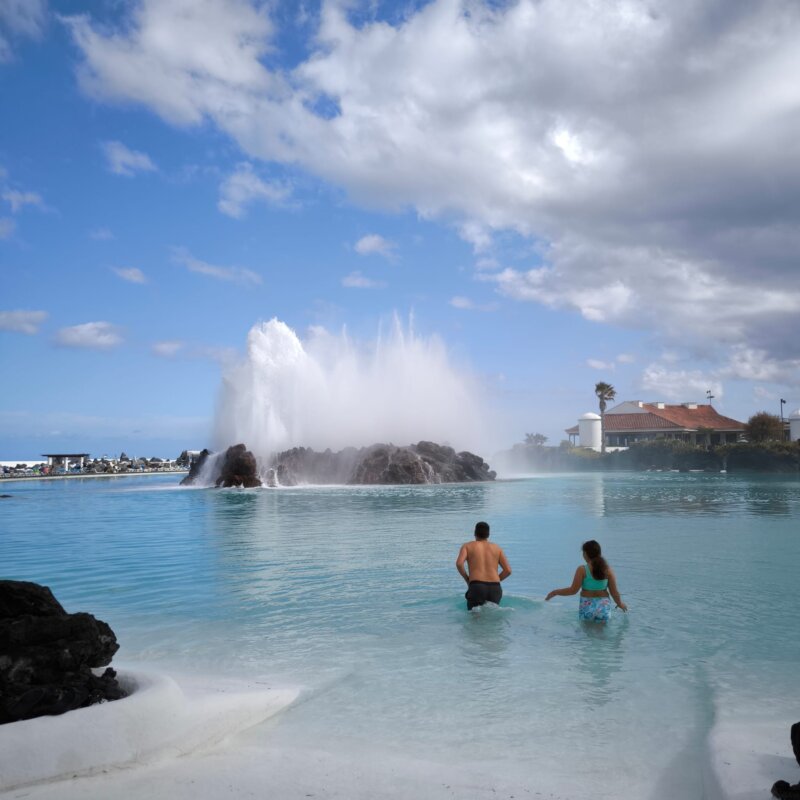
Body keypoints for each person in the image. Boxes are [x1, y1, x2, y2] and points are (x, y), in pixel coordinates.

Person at [545, 539, 627, 622]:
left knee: (586, 633)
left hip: (587, 606)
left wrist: (555, 592)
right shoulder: (608, 570)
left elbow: (573, 591)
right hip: (603, 607)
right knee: (602, 634)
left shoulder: (582, 570)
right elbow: (614, 592)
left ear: (586, 554)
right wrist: (620, 604)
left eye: (583, 552)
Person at [456, 521, 512, 610]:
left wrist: (467, 579)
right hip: (495, 588)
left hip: (477, 586)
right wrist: (496, 580)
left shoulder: (467, 546)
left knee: (474, 620)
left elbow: (459, 564)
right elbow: (508, 570)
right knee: (493, 620)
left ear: (475, 533)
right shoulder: (497, 548)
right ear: (488, 534)